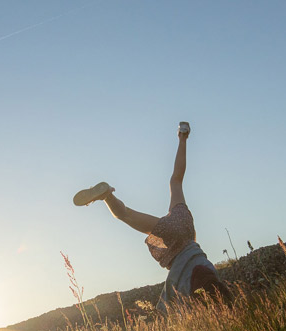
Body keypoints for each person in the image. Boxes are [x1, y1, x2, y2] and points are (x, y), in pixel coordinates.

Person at [73, 122, 231, 314]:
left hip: (182, 221)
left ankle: (108, 195)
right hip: (184, 234)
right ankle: (107, 195)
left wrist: (183, 138)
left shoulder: (178, 216)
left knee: (170, 185)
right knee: (126, 214)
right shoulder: (185, 240)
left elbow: (177, 177)